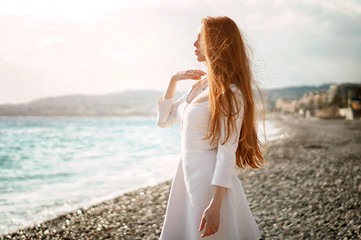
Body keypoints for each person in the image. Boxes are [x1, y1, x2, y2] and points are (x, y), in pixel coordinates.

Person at [156, 16, 265, 240]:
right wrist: (173, 80)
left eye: (200, 38)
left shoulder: (231, 93)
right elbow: (165, 120)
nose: (194, 44)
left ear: (215, 42)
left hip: (208, 179)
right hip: (185, 174)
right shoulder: (200, 85)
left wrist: (215, 205)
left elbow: (227, 152)